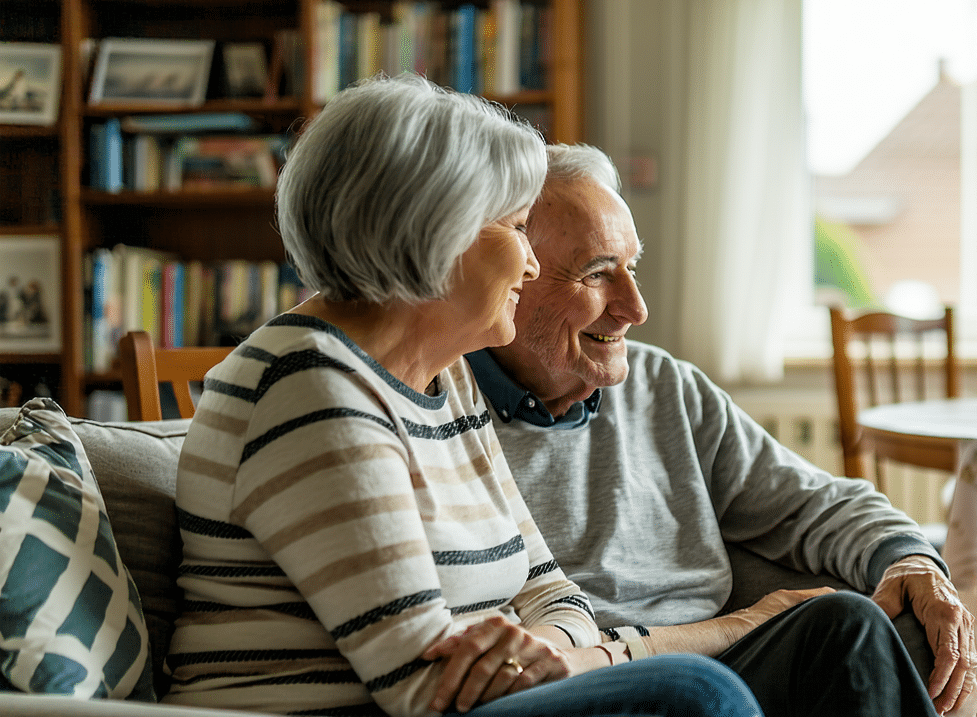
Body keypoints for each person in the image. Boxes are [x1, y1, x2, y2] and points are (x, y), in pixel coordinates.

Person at [162, 75, 763, 717]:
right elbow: (421, 689)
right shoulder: (311, 384)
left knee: (826, 634)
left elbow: (555, 591)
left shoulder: (444, 377)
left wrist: (547, 644)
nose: (531, 266)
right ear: (434, 234)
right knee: (696, 693)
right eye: (516, 228)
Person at [465, 143, 977, 717]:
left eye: (631, 268)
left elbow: (816, 503)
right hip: (583, 685)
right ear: (515, 277)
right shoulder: (447, 411)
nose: (635, 307)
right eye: (596, 274)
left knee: (857, 624)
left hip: (721, 662)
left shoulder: (666, 388)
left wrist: (910, 558)